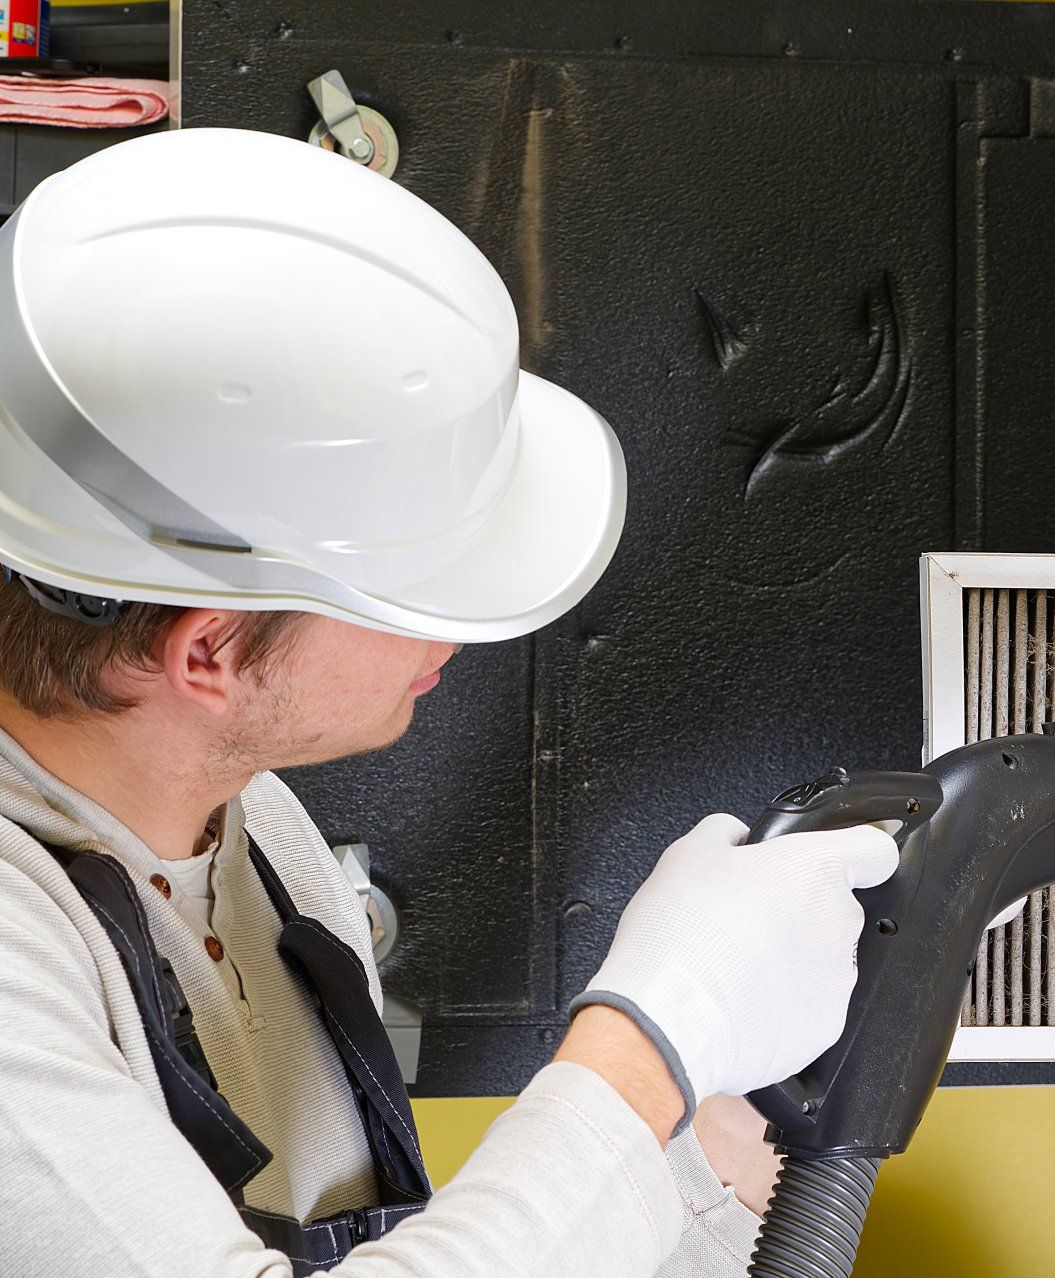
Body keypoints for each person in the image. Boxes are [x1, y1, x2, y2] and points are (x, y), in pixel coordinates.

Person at [0, 127, 898, 1275]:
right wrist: (645, 1047)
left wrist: (724, 1110)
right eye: (412, 585)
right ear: (210, 650)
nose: (460, 630)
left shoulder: (250, 823)